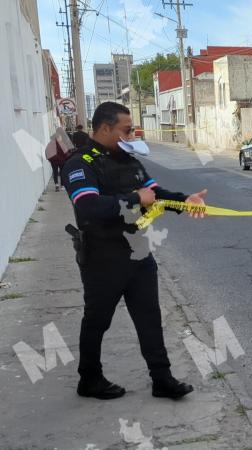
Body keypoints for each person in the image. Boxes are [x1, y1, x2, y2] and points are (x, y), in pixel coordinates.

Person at [61, 102, 207, 400]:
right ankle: (89, 379)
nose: (131, 135)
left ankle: (162, 379)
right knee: (97, 320)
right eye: (126, 130)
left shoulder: (127, 158)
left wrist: (185, 199)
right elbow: (88, 207)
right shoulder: (81, 163)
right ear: (105, 128)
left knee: (150, 318)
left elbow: (155, 193)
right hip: (103, 257)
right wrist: (134, 198)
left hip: (138, 251)